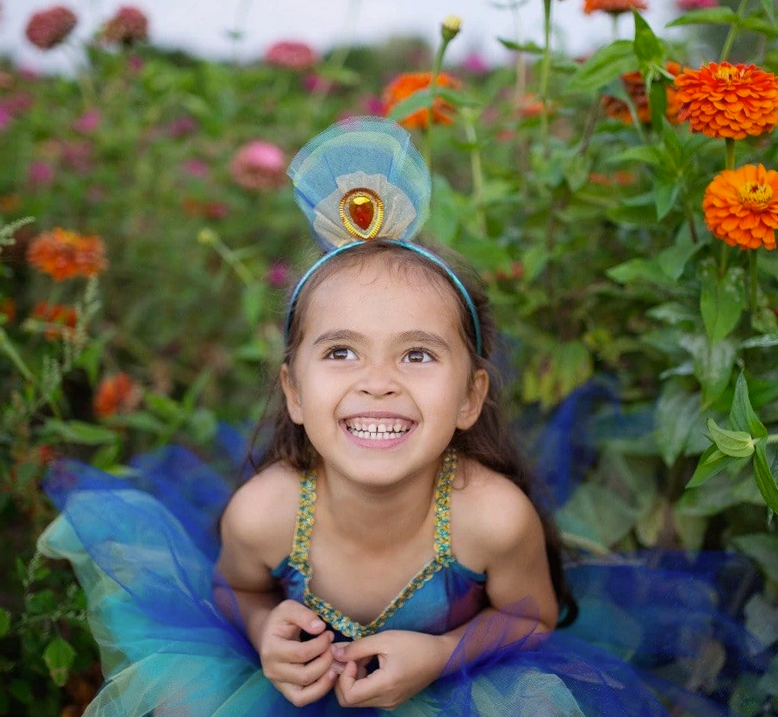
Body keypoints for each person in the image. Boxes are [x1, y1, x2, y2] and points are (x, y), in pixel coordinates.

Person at [39, 118, 771, 716]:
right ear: (294, 392)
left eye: (417, 355)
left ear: (469, 397)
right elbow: (237, 588)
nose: (379, 383)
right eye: (342, 353)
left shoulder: (493, 517)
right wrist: (265, 630)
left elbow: (531, 616)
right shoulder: (264, 512)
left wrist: (444, 654)